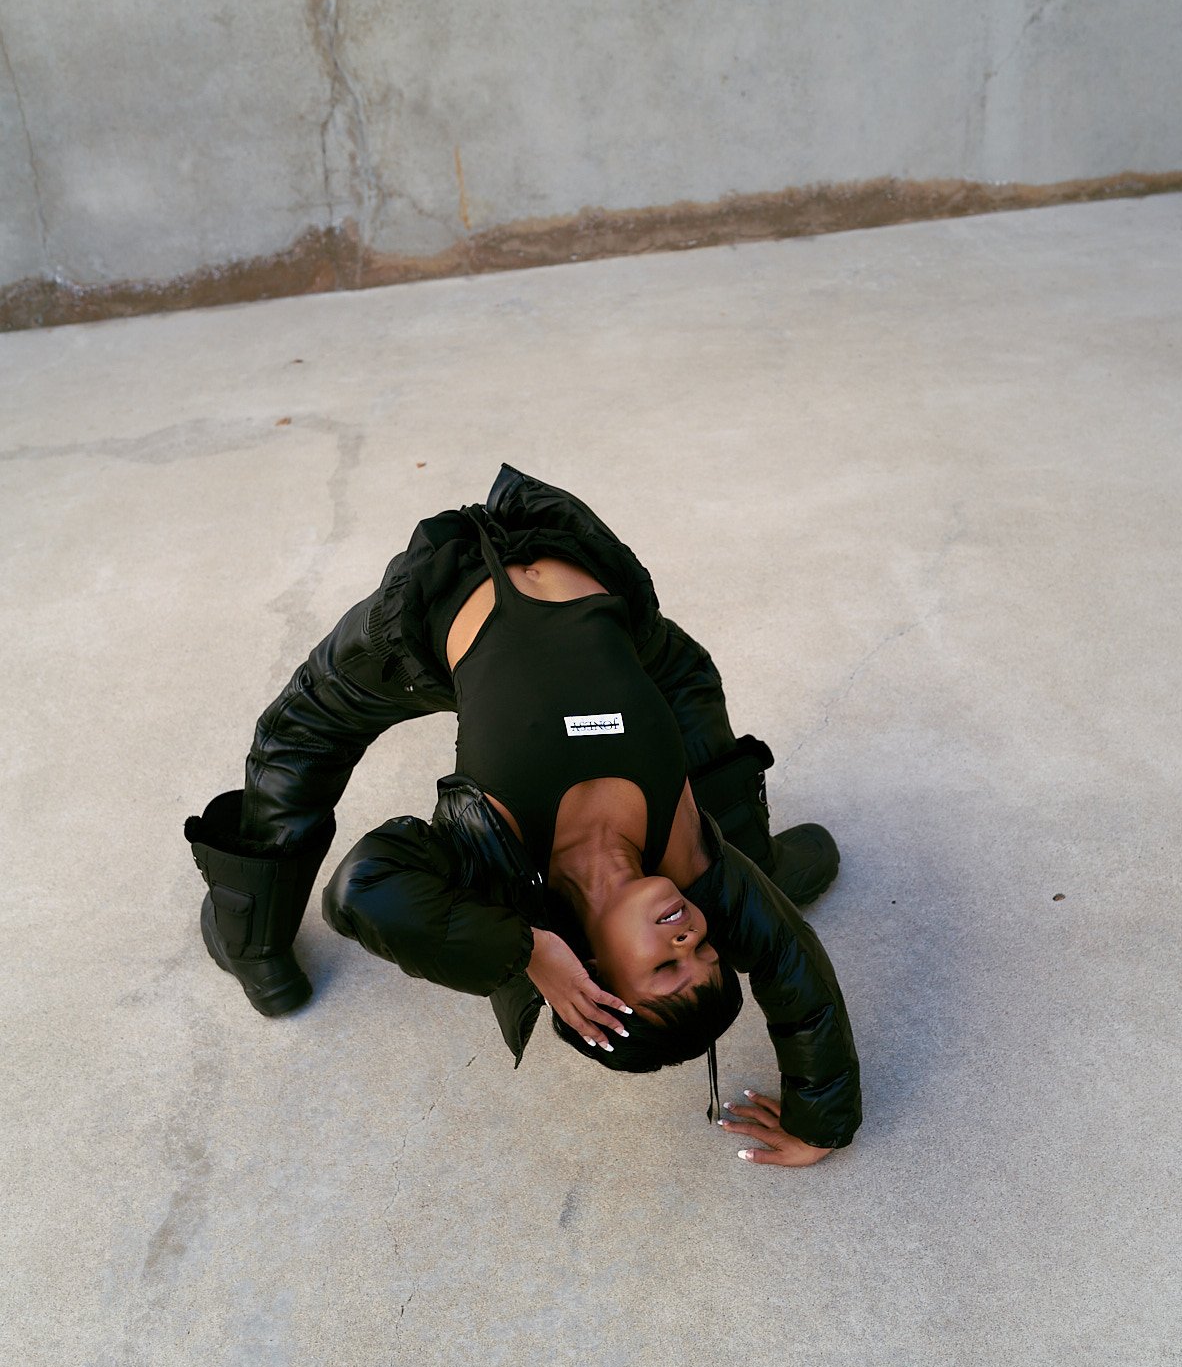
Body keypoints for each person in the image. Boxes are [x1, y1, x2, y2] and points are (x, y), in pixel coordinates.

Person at [184, 464, 861, 1164]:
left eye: (665, 968)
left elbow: (360, 891)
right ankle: (764, 867)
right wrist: (821, 1122)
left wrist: (526, 950)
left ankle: (251, 935)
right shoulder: (692, 865)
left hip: (436, 606)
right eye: (710, 950)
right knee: (695, 698)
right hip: (606, 600)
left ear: (594, 970)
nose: (689, 937)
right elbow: (789, 960)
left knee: (297, 736)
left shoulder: (494, 861)